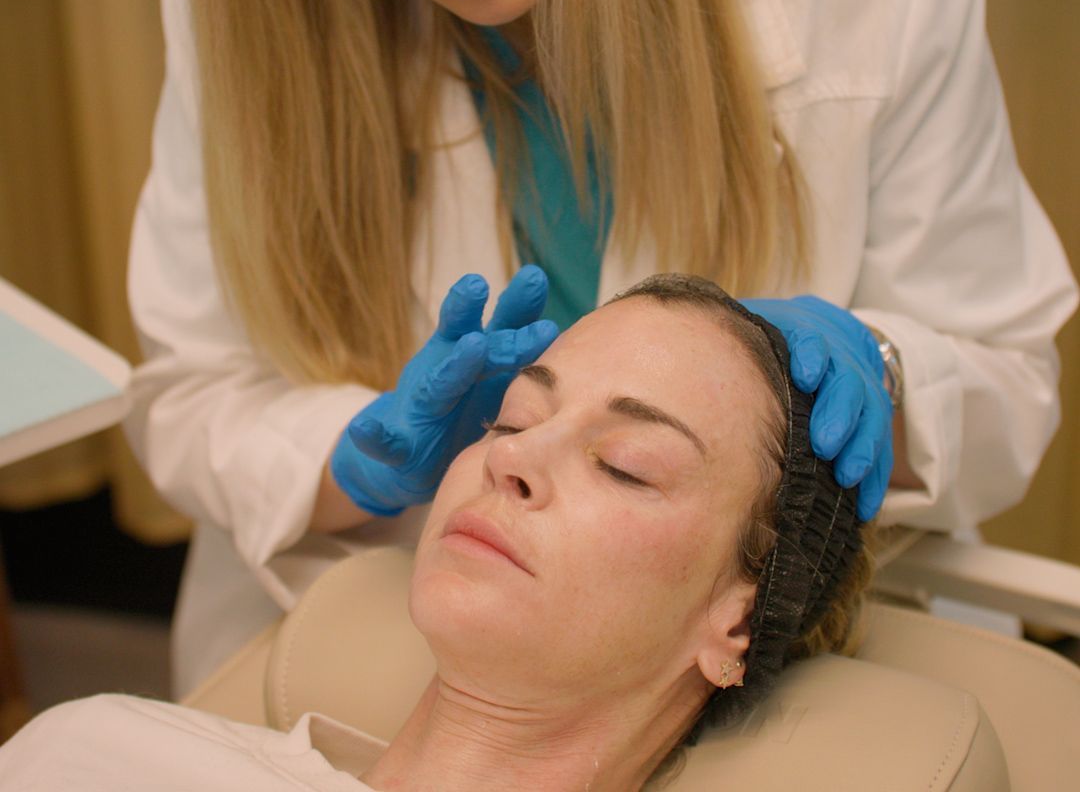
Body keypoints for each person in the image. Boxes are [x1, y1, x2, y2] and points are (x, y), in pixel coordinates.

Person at [126, 0, 1077, 697]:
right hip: (390, 624)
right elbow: (190, 394)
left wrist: (878, 373)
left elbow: (1007, 386)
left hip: (769, 662)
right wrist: (351, 462)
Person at [2, 276, 870, 790]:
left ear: (737, 620)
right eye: (512, 418)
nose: (512, 460)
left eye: (627, 465)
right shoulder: (101, 753)